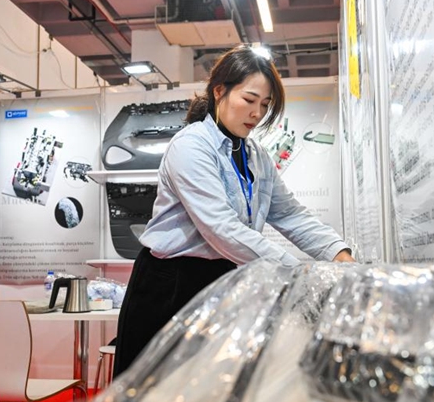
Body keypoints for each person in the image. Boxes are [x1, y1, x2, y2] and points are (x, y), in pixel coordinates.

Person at [112, 45, 355, 377]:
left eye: (265, 105)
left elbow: (290, 214)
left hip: (223, 280)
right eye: (249, 100)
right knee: (149, 396)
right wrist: (296, 274)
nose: (256, 113)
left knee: (209, 392)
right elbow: (221, 228)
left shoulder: (255, 155)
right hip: (170, 286)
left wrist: (339, 253)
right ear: (219, 91)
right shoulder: (192, 146)